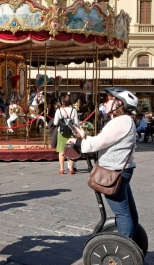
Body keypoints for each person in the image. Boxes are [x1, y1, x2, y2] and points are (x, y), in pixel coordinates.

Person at [68, 88, 140, 238]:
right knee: (128, 212)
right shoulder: (125, 120)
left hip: (114, 172)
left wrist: (77, 141)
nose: (105, 102)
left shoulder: (121, 121)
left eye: (108, 99)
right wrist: (84, 137)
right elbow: (106, 142)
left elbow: (98, 143)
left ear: (118, 103)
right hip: (122, 169)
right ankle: (132, 244)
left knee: (122, 213)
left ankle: (124, 248)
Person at [53, 94, 79, 175]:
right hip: (71, 132)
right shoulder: (73, 110)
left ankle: (61, 169)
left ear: (62, 101)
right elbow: (76, 123)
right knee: (71, 149)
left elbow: (55, 122)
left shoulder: (59, 110)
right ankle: (71, 169)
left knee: (61, 150)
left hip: (62, 132)